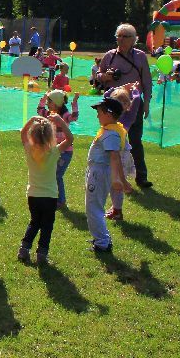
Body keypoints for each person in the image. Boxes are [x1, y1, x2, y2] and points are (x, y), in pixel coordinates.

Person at [94, 24, 153, 188]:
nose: (120, 39)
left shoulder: (140, 56)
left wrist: (147, 102)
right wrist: (105, 76)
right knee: (111, 139)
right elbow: (98, 76)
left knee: (135, 140)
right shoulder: (109, 56)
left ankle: (141, 177)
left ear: (134, 39)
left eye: (125, 36)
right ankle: (111, 175)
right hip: (113, 105)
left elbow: (147, 81)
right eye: (118, 36)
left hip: (134, 104)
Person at [18, 115, 71, 264]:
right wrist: (61, 122)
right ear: (50, 136)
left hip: (33, 195)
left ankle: (24, 249)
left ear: (32, 135)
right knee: (47, 225)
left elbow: (22, 133)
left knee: (34, 222)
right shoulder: (54, 151)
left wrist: (32, 119)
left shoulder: (29, 149)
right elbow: (70, 139)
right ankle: (42, 254)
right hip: (50, 196)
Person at [85, 97, 129, 253]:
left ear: (109, 114)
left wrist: (117, 179)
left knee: (93, 208)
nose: (97, 115)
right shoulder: (114, 130)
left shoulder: (111, 134)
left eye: (99, 112)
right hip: (99, 171)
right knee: (95, 206)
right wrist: (123, 180)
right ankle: (102, 238)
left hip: (99, 172)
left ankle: (102, 242)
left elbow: (115, 156)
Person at [37, 90, 79, 208]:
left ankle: (61, 200)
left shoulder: (65, 116)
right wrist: (44, 98)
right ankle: (51, 196)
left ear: (57, 103)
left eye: (49, 101)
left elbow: (74, 117)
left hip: (65, 152)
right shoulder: (49, 114)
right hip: (53, 150)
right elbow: (39, 110)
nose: (47, 104)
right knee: (51, 174)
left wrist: (75, 103)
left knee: (57, 175)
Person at [104, 87, 137, 221]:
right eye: (119, 101)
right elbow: (105, 98)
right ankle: (115, 207)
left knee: (116, 183)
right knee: (113, 182)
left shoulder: (128, 117)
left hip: (120, 154)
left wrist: (135, 91)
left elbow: (136, 102)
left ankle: (117, 211)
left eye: (125, 102)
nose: (122, 104)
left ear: (128, 104)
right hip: (112, 152)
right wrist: (112, 89)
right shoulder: (110, 115)